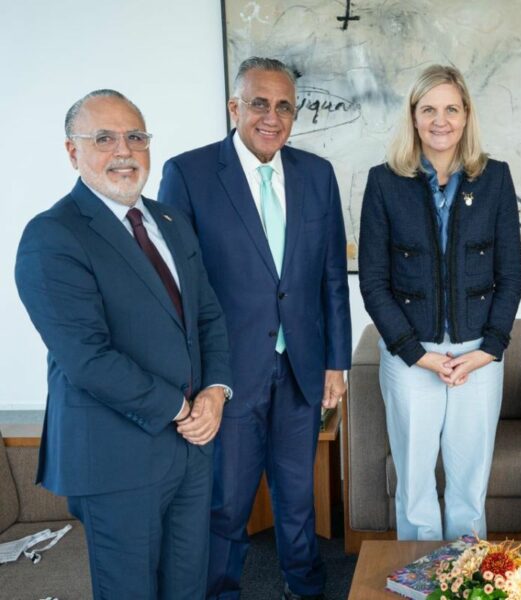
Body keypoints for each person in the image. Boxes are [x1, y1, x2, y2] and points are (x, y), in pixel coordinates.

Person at [14, 89, 232, 599]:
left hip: (191, 449)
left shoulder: (172, 223)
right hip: (114, 457)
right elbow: (87, 359)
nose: (123, 151)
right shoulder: (52, 236)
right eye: (104, 138)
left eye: (136, 137)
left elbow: (208, 317)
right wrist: (180, 408)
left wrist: (216, 391)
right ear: (73, 151)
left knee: (187, 587)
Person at [158, 57, 351, 600]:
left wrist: (336, 362)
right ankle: (218, 592)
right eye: (259, 103)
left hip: (300, 370)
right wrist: (195, 378)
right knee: (227, 501)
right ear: (234, 107)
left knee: (297, 497)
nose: (272, 116)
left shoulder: (318, 174)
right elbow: (179, 286)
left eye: (284, 106)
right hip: (228, 374)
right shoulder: (189, 173)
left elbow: (331, 277)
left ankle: (305, 587)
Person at [358, 64, 521, 541]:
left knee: (470, 491)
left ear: (466, 114)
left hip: (478, 357)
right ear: (413, 117)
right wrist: (418, 354)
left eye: (451, 108)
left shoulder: (495, 178)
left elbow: (510, 274)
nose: (440, 120)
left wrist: (489, 349)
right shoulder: (385, 181)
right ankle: (419, 583)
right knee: (414, 488)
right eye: (428, 109)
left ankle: (465, 581)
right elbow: (374, 282)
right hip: (411, 358)